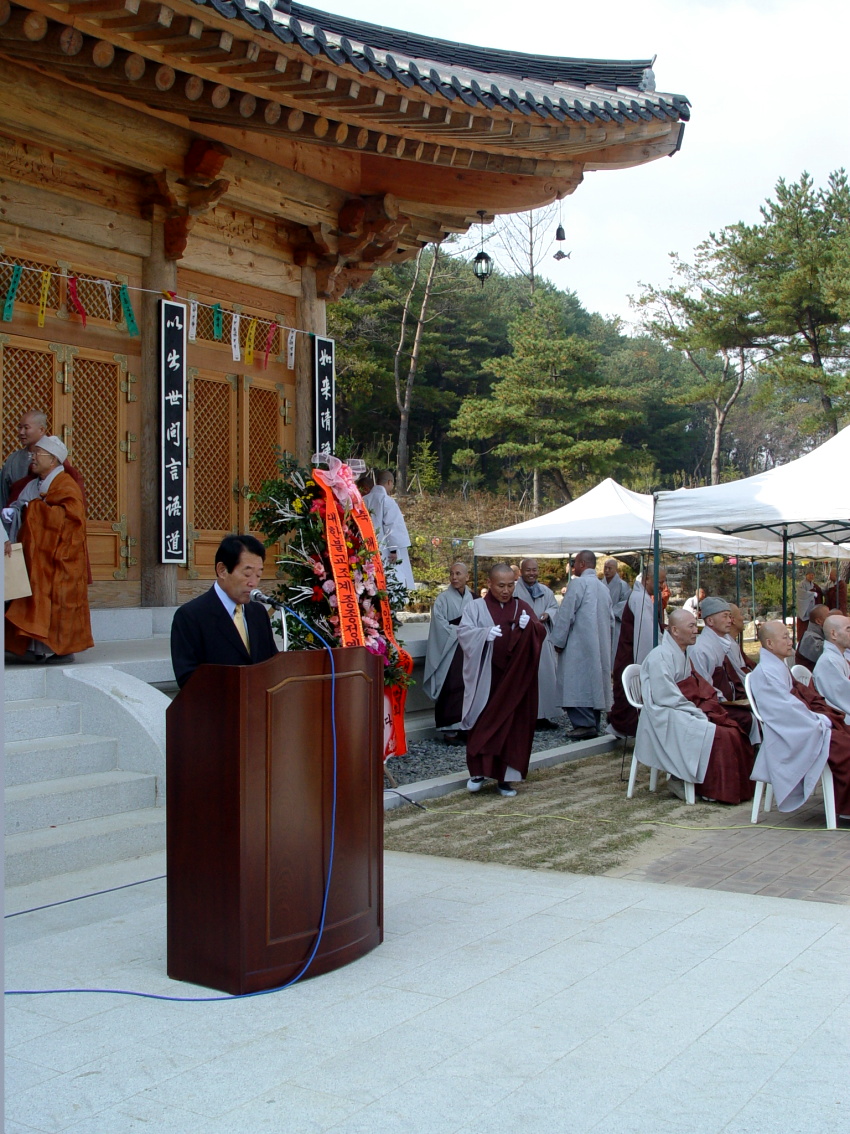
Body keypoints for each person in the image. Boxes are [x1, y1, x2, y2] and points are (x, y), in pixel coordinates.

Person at [634, 609, 754, 804]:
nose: (695, 631)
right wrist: (695, 710)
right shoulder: (659, 657)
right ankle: (700, 785)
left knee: (731, 730)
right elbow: (665, 695)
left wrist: (702, 706)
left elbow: (693, 686)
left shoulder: (682, 653)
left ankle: (714, 786)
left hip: (681, 707)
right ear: (675, 630)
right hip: (664, 714)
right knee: (716, 733)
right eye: (690, 626)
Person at [457, 563, 546, 797]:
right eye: (501, 585)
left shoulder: (521, 606)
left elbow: (539, 631)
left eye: (510, 585)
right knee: (483, 723)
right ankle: (477, 772)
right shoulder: (475, 608)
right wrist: (483, 634)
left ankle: (505, 779)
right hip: (486, 678)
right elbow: (463, 633)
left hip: (514, 681)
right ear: (489, 584)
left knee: (511, 728)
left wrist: (531, 629)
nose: (506, 591)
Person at [4, 436, 93, 662]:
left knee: (57, 602)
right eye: (32, 454)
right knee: (32, 596)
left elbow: (70, 519)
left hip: (60, 555)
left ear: (53, 459)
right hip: (37, 554)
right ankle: (32, 650)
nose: (32, 458)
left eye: (37, 455)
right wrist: (15, 511)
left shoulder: (65, 484)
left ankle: (58, 650)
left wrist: (33, 509)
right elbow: (22, 506)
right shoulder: (33, 484)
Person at [750, 621, 850, 817]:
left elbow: (799, 700)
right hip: (789, 734)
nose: (790, 642)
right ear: (770, 644)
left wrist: (822, 717)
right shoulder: (765, 673)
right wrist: (821, 720)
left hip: (801, 725)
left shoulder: (778, 666)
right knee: (846, 748)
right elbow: (786, 712)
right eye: (785, 638)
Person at [170, 534, 278, 688]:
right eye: (247, 574)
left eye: (258, 575)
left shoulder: (258, 612)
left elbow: (270, 662)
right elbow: (187, 678)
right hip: (218, 707)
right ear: (222, 570)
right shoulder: (191, 616)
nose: (253, 583)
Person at [550, 549, 613, 740]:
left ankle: (584, 724)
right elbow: (610, 620)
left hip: (578, 645)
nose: (572, 567)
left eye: (575, 563)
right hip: (598, 644)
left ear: (582, 564)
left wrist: (558, 640)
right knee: (593, 683)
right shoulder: (603, 588)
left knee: (574, 682)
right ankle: (592, 721)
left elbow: (566, 614)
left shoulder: (578, 585)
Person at [689, 596, 759, 745]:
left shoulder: (726, 642)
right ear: (710, 621)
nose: (730, 620)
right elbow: (703, 687)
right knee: (749, 718)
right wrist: (728, 702)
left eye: (730, 616)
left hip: (730, 700)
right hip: (713, 705)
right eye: (725, 616)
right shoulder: (700, 648)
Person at [608, 567, 666, 738]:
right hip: (632, 654)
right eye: (660, 582)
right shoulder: (639, 599)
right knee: (629, 694)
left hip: (629, 651)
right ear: (647, 579)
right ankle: (625, 728)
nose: (662, 586)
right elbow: (645, 635)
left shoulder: (643, 598)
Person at [423, 561, 474, 743]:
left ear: (467, 576)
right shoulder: (442, 599)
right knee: (450, 685)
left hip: (469, 649)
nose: (454, 577)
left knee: (469, 687)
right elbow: (439, 625)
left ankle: (466, 727)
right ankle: (449, 731)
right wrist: (461, 630)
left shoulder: (474, 598)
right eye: (452, 574)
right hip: (449, 650)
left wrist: (472, 632)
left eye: (458, 574)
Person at [513, 557, 560, 727]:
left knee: (544, 676)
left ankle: (543, 715)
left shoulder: (545, 591)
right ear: (521, 572)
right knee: (524, 677)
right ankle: (524, 716)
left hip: (542, 636)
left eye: (534, 570)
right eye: (528, 570)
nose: (532, 573)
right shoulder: (513, 590)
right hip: (522, 638)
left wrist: (547, 614)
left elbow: (554, 607)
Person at [361, 472, 414, 591]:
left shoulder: (363, 500)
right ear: (389, 482)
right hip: (385, 549)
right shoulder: (387, 501)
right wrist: (394, 549)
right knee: (388, 579)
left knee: (368, 578)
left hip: (364, 547)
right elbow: (392, 527)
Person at [813, 614, 850, 723]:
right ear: (834, 634)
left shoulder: (838, 657)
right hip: (839, 716)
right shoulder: (829, 661)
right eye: (848, 629)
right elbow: (844, 696)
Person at [603, 558, 632, 657]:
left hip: (616, 621)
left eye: (610, 568)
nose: (606, 571)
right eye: (605, 568)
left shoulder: (622, 585)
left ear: (616, 569)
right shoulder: (600, 584)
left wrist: (611, 612)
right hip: (601, 621)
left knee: (614, 648)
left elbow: (626, 602)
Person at [796, 605, 829, 672]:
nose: (831, 620)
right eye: (829, 617)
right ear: (818, 621)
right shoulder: (809, 638)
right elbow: (827, 657)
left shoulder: (819, 634)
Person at [796, 570, 824, 638]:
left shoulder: (813, 585)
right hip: (805, 607)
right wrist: (812, 594)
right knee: (803, 628)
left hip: (812, 606)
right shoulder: (802, 584)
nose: (812, 576)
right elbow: (801, 594)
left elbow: (819, 591)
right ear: (806, 575)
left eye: (813, 575)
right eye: (810, 575)